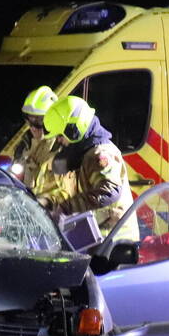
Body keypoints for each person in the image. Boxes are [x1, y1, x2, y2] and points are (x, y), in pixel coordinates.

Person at [37, 95, 135, 242]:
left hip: (114, 243)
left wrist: (65, 209)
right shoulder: (82, 156)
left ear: (74, 130)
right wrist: (47, 203)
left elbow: (109, 191)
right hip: (95, 240)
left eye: (60, 135)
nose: (58, 140)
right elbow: (75, 195)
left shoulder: (100, 153)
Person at [12, 86, 69, 198]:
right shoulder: (24, 146)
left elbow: (64, 190)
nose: (33, 127)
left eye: (39, 121)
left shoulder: (62, 148)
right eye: (30, 119)